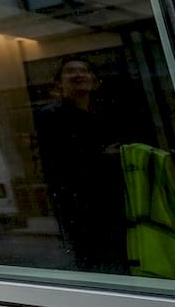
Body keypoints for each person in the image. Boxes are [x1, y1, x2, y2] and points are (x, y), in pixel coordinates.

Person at [35, 55, 129, 273]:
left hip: (114, 202)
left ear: (94, 81)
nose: (78, 75)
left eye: (84, 71)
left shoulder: (104, 114)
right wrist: (103, 157)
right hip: (80, 207)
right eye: (70, 71)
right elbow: (61, 162)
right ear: (59, 84)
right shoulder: (51, 116)